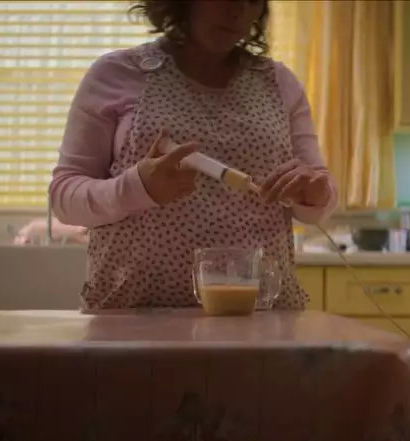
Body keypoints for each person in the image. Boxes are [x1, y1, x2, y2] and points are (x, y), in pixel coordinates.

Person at [49, 0, 338, 311]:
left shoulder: (280, 84)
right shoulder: (115, 74)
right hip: (136, 313)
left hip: (258, 315)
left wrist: (314, 191)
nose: (237, 10)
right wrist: (135, 188)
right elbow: (64, 198)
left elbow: (318, 199)